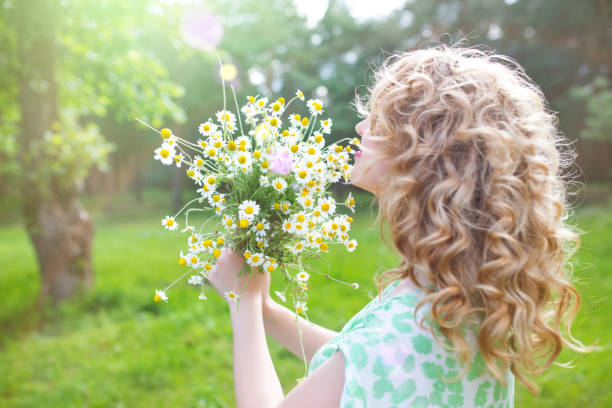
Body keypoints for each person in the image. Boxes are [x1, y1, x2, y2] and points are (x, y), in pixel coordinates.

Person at [206, 42, 596, 407]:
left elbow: (373, 356)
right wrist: (267, 309)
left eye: (378, 121)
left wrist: (243, 305)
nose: (360, 129)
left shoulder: (406, 326)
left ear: (424, 158)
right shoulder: (459, 292)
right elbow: (355, 359)